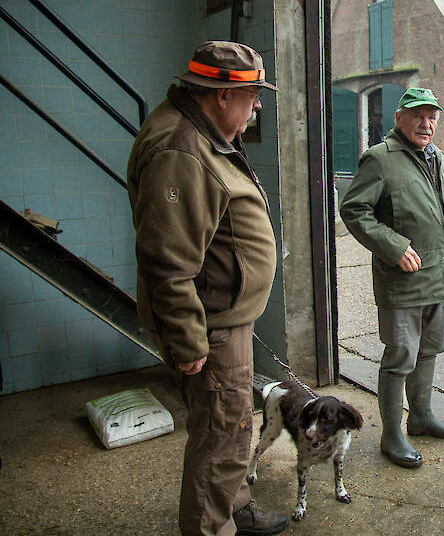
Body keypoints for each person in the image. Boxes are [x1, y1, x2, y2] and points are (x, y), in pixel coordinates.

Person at [127, 41, 289, 535]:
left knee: (234, 426)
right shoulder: (181, 150)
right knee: (220, 436)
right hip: (209, 329)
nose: (257, 104)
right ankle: (209, 526)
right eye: (253, 95)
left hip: (222, 318)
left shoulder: (206, 133)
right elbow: (167, 262)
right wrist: (187, 340)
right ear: (222, 95)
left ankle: (235, 506)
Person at [339, 87, 444, 468]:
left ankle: (422, 418)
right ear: (399, 118)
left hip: (437, 276)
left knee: (428, 350)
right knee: (400, 357)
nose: (425, 124)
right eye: (417, 115)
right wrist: (394, 248)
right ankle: (392, 435)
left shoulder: (436, 156)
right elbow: (354, 210)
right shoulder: (380, 158)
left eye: (432, 117)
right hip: (402, 281)